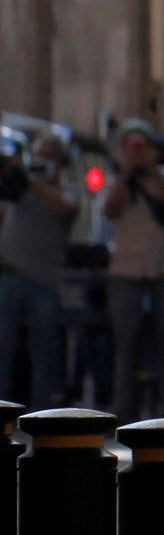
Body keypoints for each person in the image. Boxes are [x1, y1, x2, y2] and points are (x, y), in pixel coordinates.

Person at [101, 122, 164, 416]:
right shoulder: (116, 179)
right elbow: (110, 211)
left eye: (141, 146)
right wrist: (126, 173)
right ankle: (124, 408)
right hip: (127, 269)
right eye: (131, 147)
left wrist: (153, 172)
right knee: (126, 344)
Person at [0, 126, 79, 403]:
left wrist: (35, 180)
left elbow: (64, 207)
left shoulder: (66, 189)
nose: (41, 160)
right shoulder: (17, 186)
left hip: (44, 282)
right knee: (3, 349)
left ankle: (41, 414)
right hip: (9, 277)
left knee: (44, 352)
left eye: (50, 155)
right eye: (38, 154)